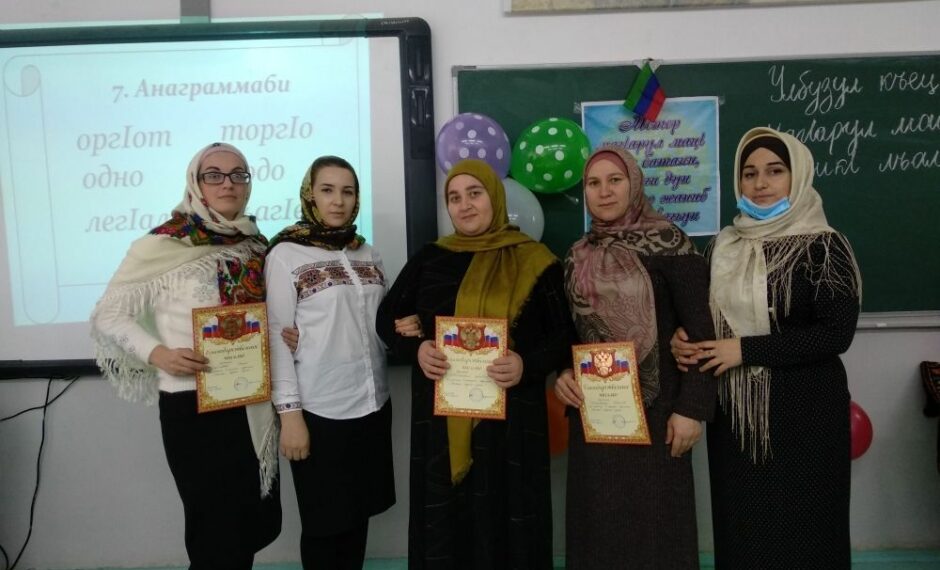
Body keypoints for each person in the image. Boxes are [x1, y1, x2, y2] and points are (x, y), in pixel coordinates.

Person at [672, 127, 863, 569]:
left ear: (797, 176)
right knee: (744, 530)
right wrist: (683, 338)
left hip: (806, 416)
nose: (760, 183)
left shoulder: (824, 245)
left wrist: (745, 350)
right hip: (737, 419)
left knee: (808, 530)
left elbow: (836, 334)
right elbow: (707, 319)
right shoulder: (722, 247)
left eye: (775, 171)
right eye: (749, 173)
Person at [376, 159, 575, 570]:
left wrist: (526, 364)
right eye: (454, 197)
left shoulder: (536, 260)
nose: (464, 205)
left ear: (494, 198)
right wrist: (415, 349)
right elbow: (387, 319)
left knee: (509, 525)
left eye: (474, 193)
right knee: (447, 528)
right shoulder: (430, 259)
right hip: (440, 426)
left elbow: (563, 337)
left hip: (513, 426)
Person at [91, 142, 281, 569]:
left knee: (247, 525)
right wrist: (157, 353)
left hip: (249, 402)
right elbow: (109, 314)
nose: (228, 184)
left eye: (238, 175)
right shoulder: (163, 243)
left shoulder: (255, 245)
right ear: (196, 183)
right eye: (214, 175)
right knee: (212, 531)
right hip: (192, 407)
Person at [552, 147, 716, 569]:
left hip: (660, 417)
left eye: (615, 180)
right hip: (596, 418)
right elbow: (568, 333)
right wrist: (564, 371)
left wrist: (692, 410)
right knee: (597, 530)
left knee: (658, 531)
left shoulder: (672, 245)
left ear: (634, 184)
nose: (604, 191)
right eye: (593, 183)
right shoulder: (575, 255)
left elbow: (702, 333)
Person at [265, 156, 398, 569]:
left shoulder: (367, 253)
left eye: (347, 191)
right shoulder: (286, 254)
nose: (338, 201)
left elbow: (382, 323)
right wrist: (290, 416)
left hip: (372, 405)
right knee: (325, 526)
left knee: (357, 518)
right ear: (310, 195)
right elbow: (276, 337)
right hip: (320, 410)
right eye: (327, 190)